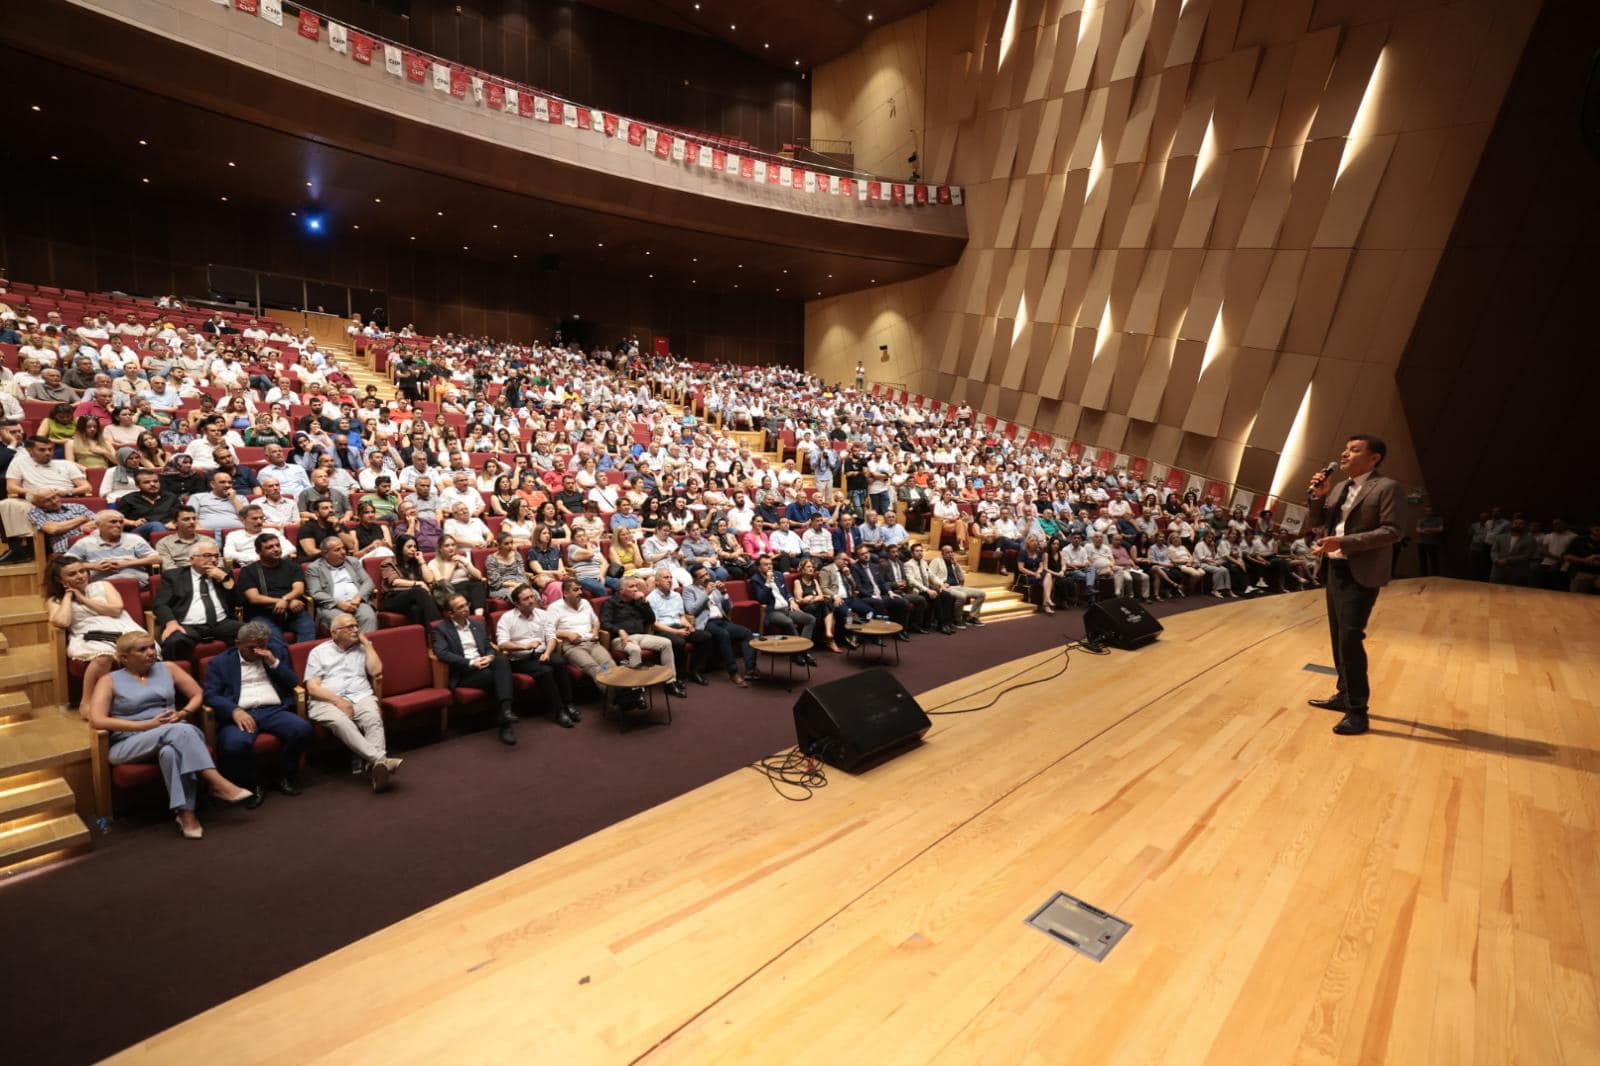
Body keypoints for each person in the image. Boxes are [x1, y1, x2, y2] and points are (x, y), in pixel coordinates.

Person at [86, 633, 253, 838]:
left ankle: (186, 814)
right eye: (142, 649)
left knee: (170, 752)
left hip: (173, 734)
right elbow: (97, 720)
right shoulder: (109, 680)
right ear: (124, 657)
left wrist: (183, 713)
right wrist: (146, 725)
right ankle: (216, 782)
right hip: (128, 742)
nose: (150, 652)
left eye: (151, 647)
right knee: (182, 731)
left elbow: (198, 694)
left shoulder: (168, 668)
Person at [1306, 435, 1405, 736]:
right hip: (1334, 568)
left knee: (1350, 638)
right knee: (1338, 637)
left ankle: (1358, 712)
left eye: (1354, 449)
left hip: (1359, 571)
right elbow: (1318, 521)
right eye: (1345, 448)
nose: (1345, 453)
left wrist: (1344, 542)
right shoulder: (1338, 487)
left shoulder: (1387, 487)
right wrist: (1318, 496)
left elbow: (1392, 531)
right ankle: (1343, 694)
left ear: (1374, 458)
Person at [202, 621, 311, 805]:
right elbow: (210, 695)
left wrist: (273, 662)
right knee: (234, 745)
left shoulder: (274, 652)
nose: (257, 651)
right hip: (241, 712)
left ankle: (283, 774)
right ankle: (254, 783)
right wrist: (234, 710)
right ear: (237, 644)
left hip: (273, 710)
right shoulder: (220, 662)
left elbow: (293, 682)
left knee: (302, 729)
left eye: (262, 646)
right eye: (251, 647)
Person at [304, 612, 402, 791]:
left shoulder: (362, 648)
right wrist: (339, 701)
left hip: (361, 695)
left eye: (357, 626)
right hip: (327, 700)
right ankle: (380, 760)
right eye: (350, 627)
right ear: (334, 633)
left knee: (373, 718)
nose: (356, 629)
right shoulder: (318, 653)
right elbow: (313, 688)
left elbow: (376, 671)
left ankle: (375, 768)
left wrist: (368, 644)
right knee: (341, 722)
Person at [46, 557, 148, 713]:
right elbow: (62, 622)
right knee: (103, 656)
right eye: (72, 574)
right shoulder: (55, 600)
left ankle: (138, 700)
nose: (80, 576)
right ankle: (87, 703)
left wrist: (82, 599)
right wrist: (67, 596)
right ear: (60, 579)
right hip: (88, 635)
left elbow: (116, 610)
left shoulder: (103, 585)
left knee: (140, 648)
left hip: (122, 627)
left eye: (82, 571)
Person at [433, 593, 518, 746]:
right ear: (451, 613)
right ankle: (505, 719)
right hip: (464, 673)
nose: (466, 609)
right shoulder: (441, 629)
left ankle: (505, 712)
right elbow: (442, 653)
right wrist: (471, 663)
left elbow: (488, 647)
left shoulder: (477, 624)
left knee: (501, 661)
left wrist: (490, 657)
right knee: (496, 676)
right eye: (461, 607)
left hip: (484, 664)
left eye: (466, 604)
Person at [496, 583, 579, 727]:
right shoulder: (507, 618)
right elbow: (502, 644)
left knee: (559, 662)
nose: (531, 601)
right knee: (545, 671)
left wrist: (547, 652)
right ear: (516, 603)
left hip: (541, 654)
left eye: (532, 596)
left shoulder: (542, 614)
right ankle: (559, 711)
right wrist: (524, 646)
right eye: (526, 599)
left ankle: (568, 703)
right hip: (519, 659)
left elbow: (551, 637)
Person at [600, 576, 689, 697]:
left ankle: (670, 683)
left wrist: (645, 603)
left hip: (641, 636)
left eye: (636, 586)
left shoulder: (638, 602)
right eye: (631, 587)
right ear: (621, 590)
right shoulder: (610, 603)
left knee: (666, 643)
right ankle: (637, 691)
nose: (636, 589)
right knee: (635, 649)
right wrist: (619, 630)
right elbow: (605, 623)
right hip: (620, 639)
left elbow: (651, 620)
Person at [153, 543, 242, 662]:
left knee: (253, 632)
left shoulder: (223, 573)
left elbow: (238, 602)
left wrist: (225, 579)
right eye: (207, 555)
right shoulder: (173, 576)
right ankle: (178, 677)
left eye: (216, 556)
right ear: (191, 559)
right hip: (187, 625)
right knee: (174, 642)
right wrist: (171, 623)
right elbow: (160, 604)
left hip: (221, 623)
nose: (214, 560)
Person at [236, 532, 316, 644]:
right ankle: (281, 661)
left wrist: (285, 600)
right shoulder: (249, 571)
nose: (276, 549)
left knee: (308, 627)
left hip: (292, 612)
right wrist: (282, 601)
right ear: (258, 552)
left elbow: (298, 589)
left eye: (277, 545)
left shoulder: (292, 566)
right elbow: (254, 598)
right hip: (263, 614)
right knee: (274, 639)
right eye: (270, 547)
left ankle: (303, 659)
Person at [683, 568, 759, 686]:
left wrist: (724, 592)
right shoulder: (689, 590)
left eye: (706, 574)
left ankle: (750, 669)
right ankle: (733, 673)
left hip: (721, 620)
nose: (707, 577)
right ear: (695, 579)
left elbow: (729, 608)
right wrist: (706, 593)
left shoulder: (713, 586)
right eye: (702, 576)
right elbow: (691, 610)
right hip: (706, 623)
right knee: (723, 634)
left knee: (747, 633)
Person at [64, 509, 159, 588]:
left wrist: (126, 563)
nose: (118, 525)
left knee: (124, 580)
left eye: (121, 522)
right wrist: (92, 566)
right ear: (98, 525)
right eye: (113, 522)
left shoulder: (134, 539)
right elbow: (64, 564)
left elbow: (157, 558)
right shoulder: (85, 542)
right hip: (99, 580)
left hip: (134, 580)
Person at [749, 555, 818, 662]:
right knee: (788, 622)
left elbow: (786, 591)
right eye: (765, 564)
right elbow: (761, 598)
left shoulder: (778, 575)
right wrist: (767, 582)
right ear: (759, 568)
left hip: (787, 608)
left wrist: (791, 600)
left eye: (770, 564)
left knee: (810, 619)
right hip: (772, 612)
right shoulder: (755, 580)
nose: (769, 566)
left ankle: (801, 651)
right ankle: (801, 653)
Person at [547, 578, 618, 680]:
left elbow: (596, 622)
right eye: (575, 590)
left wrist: (595, 631)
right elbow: (549, 631)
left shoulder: (585, 603)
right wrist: (567, 634)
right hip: (573, 646)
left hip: (592, 643)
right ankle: (611, 693)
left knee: (610, 665)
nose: (580, 592)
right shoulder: (555, 608)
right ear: (565, 593)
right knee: (595, 669)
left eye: (580, 589)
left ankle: (615, 693)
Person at [306, 537, 379, 633]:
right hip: (332, 606)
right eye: (337, 550)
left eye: (343, 548)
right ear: (325, 554)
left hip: (358, 603)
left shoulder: (353, 562)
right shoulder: (314, 568)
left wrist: (358, 598)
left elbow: (368, 582)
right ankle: (350, 648)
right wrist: (338, 604)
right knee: (344, 623)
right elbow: (316, 592)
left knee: (368, 617)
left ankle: (366, 646)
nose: (343, 552)